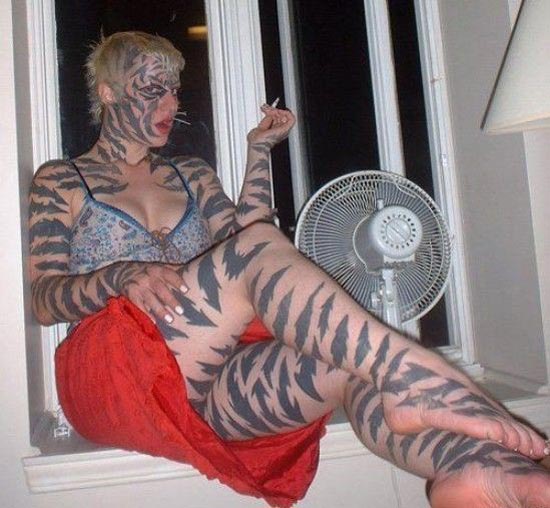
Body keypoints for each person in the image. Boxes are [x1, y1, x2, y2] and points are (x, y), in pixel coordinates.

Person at [29, 31, 550, 508]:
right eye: (151, 90)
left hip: (202, 380)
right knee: (267, 262)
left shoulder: (191, 174)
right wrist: (118, 276)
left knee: (344, 367)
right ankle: (423, 378)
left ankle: (480, 468)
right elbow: (44, 298)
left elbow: (250, 244)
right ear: (108, 92)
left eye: (174, 90)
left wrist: (258, 152)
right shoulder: (62, 180)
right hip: (112, 375)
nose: (170, 104)